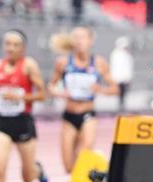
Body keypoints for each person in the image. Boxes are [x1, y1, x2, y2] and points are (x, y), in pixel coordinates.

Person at [0, 30, 48, 182]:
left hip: (23, 122)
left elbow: (42, 95)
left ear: (22, 48)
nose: (10, 48)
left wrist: (19, 97)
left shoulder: (28, 66)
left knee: (27, 177)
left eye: (15, 45)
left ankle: (37, 170)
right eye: (8, 44)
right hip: (2, 122)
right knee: (0, 169)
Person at [49, 26, 118, 174]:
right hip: (69, 116)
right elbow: (51, 86)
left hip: (88, 115)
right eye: (76, 37)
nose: (79, 41)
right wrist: (60, 93)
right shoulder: (63, 62)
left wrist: (100, 89)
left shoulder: (99, 63)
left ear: (90, 40)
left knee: (84, 157)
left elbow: (114, 89)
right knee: (68, 166)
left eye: (82, 37)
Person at [109, 36, 135, 111]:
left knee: (124, 94)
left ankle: (122, 107)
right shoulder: (116, 55)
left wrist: (128, 78)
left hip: (125, 79)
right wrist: (114, 78)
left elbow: (128, 68)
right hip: (118, 79)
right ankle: (118, 108)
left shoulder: (127, 56)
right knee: (118, 94)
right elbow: (115, 68)